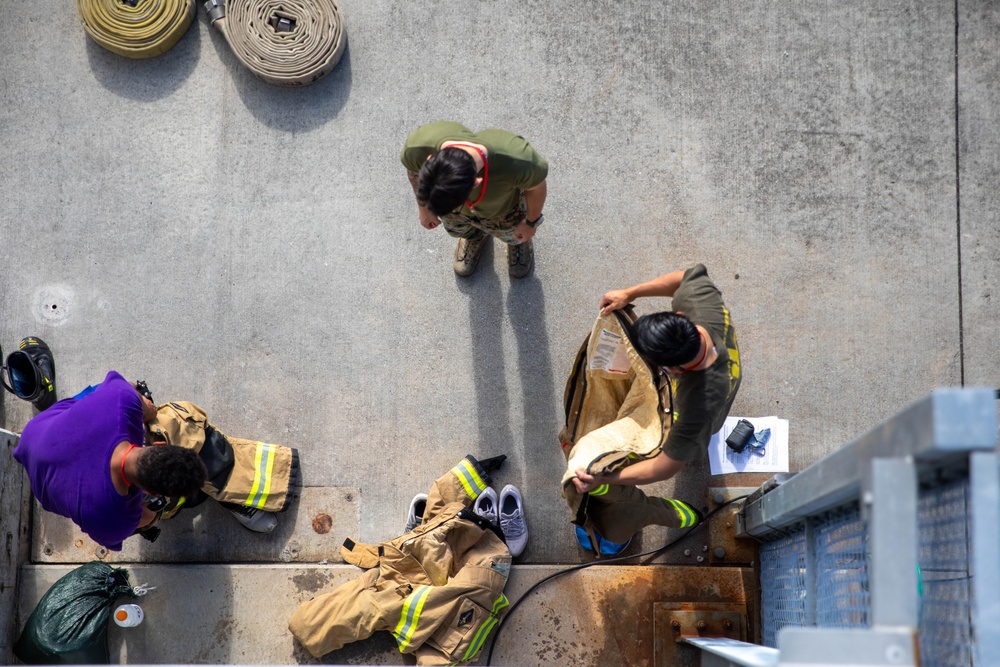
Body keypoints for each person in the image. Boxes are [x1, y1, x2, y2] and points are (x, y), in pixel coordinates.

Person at [570, 264, 741, 550]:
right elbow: (683, 278)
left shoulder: (697, 406)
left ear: (672, 371)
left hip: (706, 414)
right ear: (680, 317)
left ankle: (682, 509)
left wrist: (607, 476)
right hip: (710, 380)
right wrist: (629, 293)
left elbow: (665, 468)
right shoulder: (701, 305)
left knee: (685, 447)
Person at [12, 370, 206, 551]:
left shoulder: (122, 399)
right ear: (148, 491)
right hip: (42, 487)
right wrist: (153, 511)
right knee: (150, 515)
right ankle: (168, 509)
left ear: (159, 446)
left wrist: (147, 409)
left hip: (35, 432)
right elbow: (142, 519)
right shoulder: (112, 520)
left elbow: (130, 389)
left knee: (108, 391)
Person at [401, 121, 548, 279]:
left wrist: (530, 223)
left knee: (511, 233)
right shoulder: (416, 149)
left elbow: (536, 187)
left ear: (476, 182)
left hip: (503, 210)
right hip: (459, 213)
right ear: (429, 159)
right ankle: (474, 237)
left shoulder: (519, 161)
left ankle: (517, 243)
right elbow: (414, 173)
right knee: (457, 228)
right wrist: (424, 207)